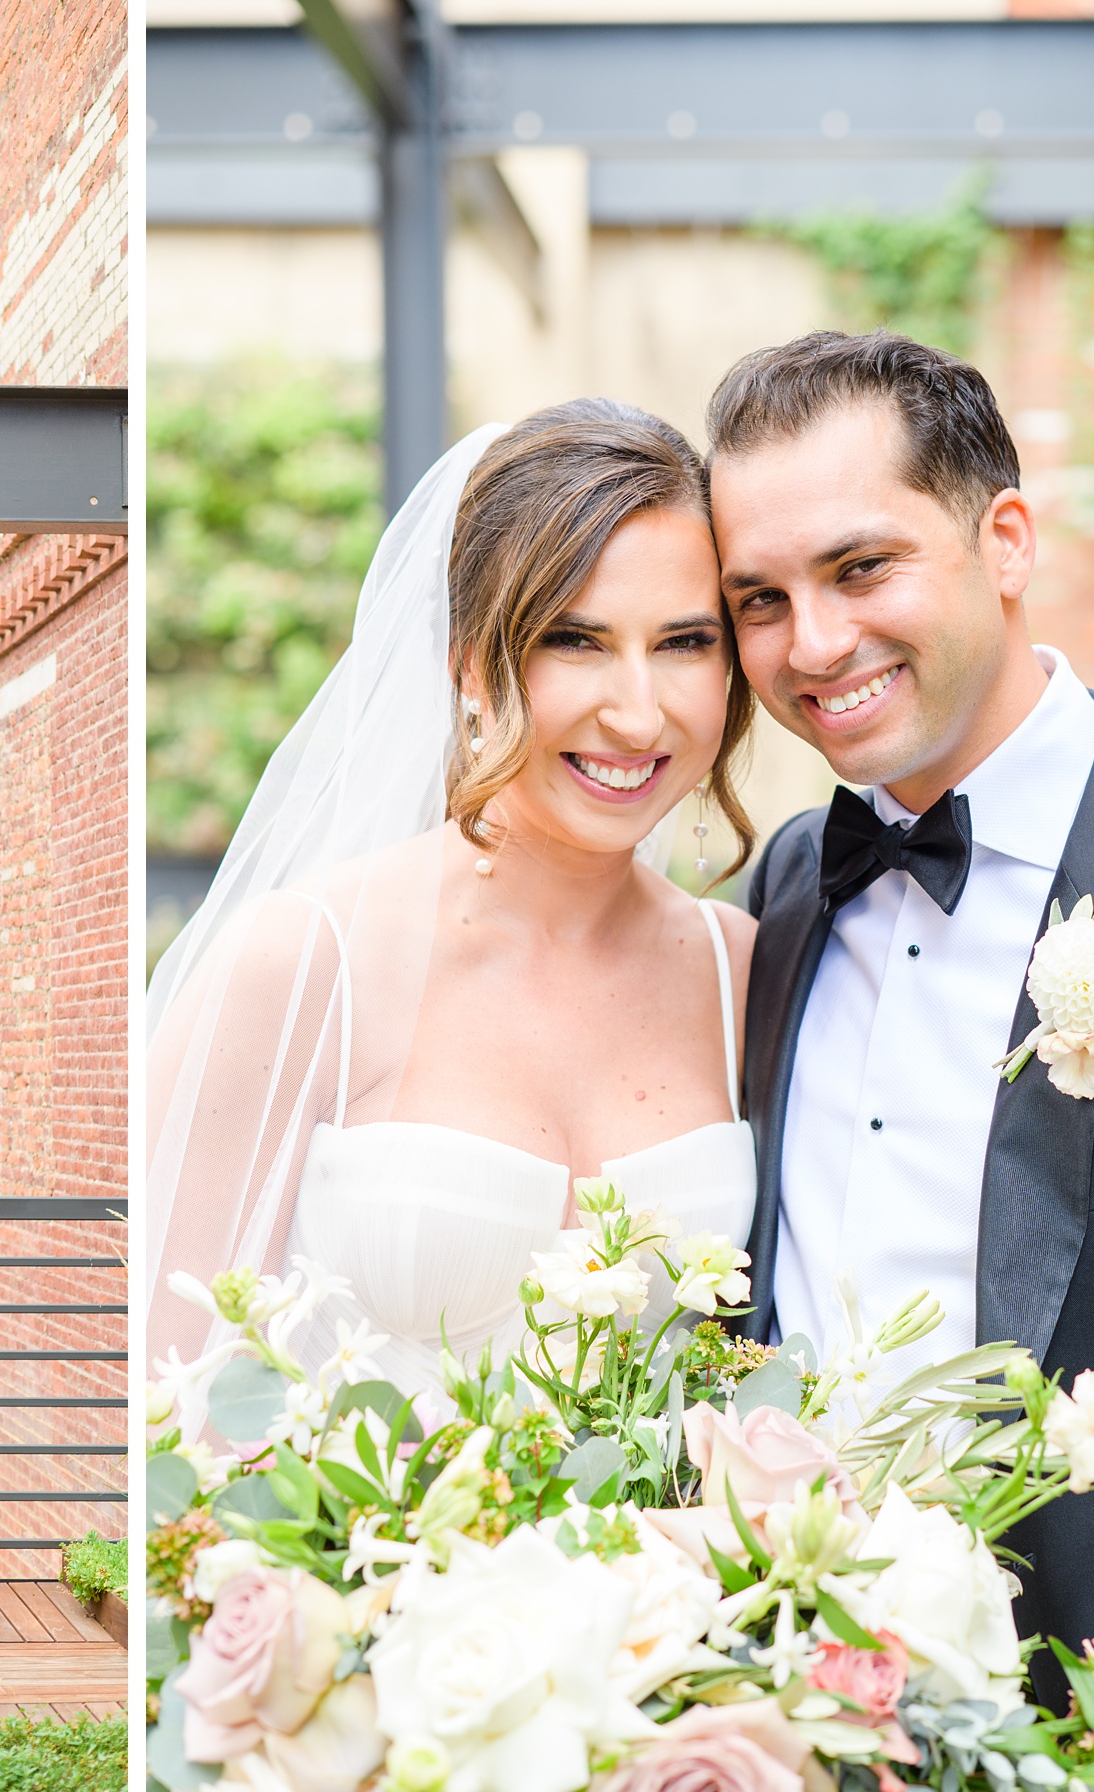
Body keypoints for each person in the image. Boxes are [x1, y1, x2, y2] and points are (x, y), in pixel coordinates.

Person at [715, 329, 1094, 1782]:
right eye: (760, 599)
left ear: (1004, 540)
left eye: (862, 569)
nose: (811, 644)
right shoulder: (788, 890)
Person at [147, 398, 761, 1398]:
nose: (639, 711)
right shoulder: (304, 965)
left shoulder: (740, 973)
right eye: (576, 640)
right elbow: (169, 1394)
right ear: (471, 664)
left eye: (686, 642)